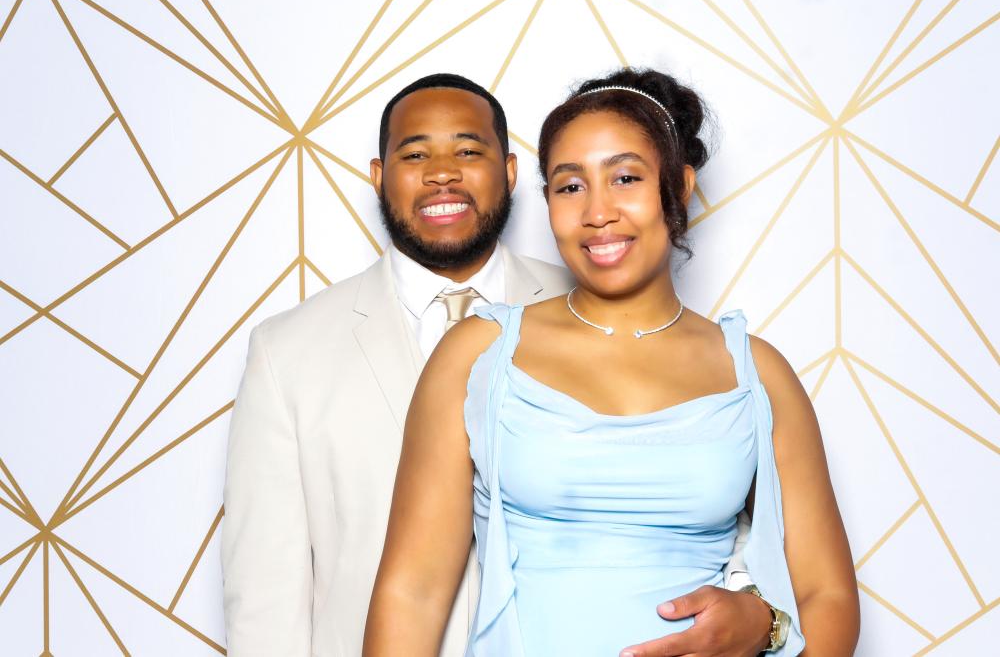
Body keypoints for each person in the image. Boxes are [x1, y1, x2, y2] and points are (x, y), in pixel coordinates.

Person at [222, 73, 791, 657]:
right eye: (415, 154)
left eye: (469, 151)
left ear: (512, 173)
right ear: (377, 175)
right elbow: (265, 596)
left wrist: (764, 617)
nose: (442, 173)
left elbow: (714, 515)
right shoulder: (286, 351)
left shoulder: (619, 296)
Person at [363, 69, 860, 656]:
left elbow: (827, 595)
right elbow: (412, 592)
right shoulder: (479, 353)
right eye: (570, 186)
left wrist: (767, 625)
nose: (598, 212)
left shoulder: (756, 373)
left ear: (678, 186)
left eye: (625, 178)